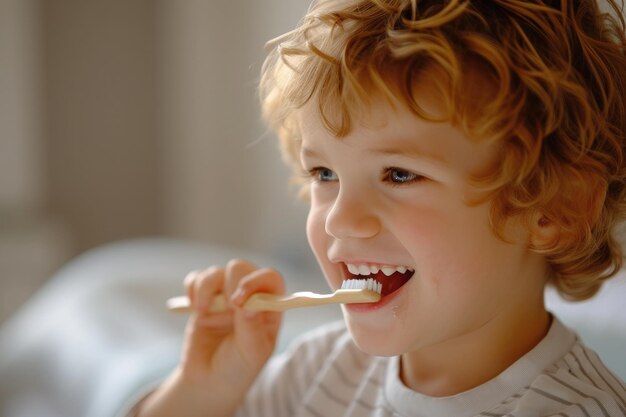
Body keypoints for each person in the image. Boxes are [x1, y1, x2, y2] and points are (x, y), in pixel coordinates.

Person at [136, 0, 626, 415]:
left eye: (400, 174)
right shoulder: (317, 372)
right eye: (324, 174)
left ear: (554, 209)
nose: (338, 219)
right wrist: (203, 389)